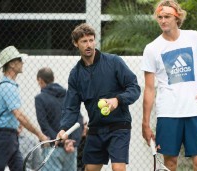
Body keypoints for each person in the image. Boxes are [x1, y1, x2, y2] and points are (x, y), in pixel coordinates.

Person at [141, 1, 197, 171]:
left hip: (194, 110)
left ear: (177, 17)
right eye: (160, 17)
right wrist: (145, 123)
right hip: (167, 114)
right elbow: (149, 89)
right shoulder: (151, 49)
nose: (163, 20)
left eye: (167, 16)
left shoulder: (193, 37)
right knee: (170, 164)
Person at [55, 23, 140, 171]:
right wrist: (63, 129)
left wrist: (117, 100)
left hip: (119, 127)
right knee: (90, 169)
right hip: (95, 129)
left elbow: (134, 88)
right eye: (84, 41)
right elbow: (71, 107)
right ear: (76, 44)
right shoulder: (75, 74)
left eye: (91, 40)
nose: (89, 45)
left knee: (118, 168)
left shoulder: (114, 62)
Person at [0, 46, 48, 171]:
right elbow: (19, 115)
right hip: (4, 137)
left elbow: (14, 115)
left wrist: (16, 125)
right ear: (11, 64)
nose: (22, 62)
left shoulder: (7, 85)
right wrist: (39, 134)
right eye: (19, 60)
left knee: (19, 168)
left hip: (9, 136)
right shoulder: (8, 87)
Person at [35, 67, 83, 171]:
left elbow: (44, 125)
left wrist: (61, 141)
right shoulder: (67, 95)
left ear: (40, 80)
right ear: (53, 78)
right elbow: (79, 119)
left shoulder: (40, 98)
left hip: (52, 147)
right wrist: (72, 141)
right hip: (70, 147)